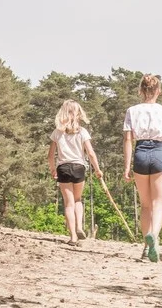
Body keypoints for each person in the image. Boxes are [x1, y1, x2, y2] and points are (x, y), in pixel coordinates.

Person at [123, 74, 162, 262]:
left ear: (141, 90)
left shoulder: (132, 111)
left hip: (140, 153)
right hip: (159, 153)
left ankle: (145, 247)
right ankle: (154, 237)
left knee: (145, 205)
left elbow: (128, 140)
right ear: (158, 91)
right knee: (159, 203)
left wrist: (127, 167)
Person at [48, 99, 103, 247]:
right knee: (78, 200)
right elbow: (90, 153)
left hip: (63, 168)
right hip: (79, 167)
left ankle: (73, 236)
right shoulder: (82, 132)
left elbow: (50, 155)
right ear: (78, 113)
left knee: (68, 203)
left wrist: (53, 169)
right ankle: (79, 226)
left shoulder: (57, 133)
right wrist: (97, 169)